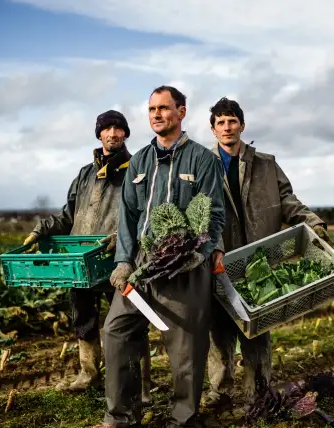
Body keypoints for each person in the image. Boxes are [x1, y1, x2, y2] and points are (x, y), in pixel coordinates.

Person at [93, 86, 225, 428]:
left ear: (181, 112)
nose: (156, 114)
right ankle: (121, 416)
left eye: (164, 108)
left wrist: (198, 252)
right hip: (142, 267)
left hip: (185, 266)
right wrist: (124, 261)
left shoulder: (202, 159)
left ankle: (183, 418)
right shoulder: (138, 161)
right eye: (152, 108)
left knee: (185, 349)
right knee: (116, 332)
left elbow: (214, 214)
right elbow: (128, 217)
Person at [205, 97, 332, 410]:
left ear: (242, 125)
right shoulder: (203, 165)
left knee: (257, 330)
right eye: (220, 122)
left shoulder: (265, 163)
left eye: (232, 121)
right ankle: (220, 392)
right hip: (219, 259)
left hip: (258, 260)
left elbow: (288, 200)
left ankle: (257, 392)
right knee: (219, 330)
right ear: (213, 129)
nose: (227, 127)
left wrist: (313, 223)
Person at [23, 110, 152, 400]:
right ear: (99, 134)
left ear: (126, 134)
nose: (113, 133)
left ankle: (141, 384)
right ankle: (89, 374)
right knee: (84, 318)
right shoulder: (85, 173)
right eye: (107, 128)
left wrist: (121, 239)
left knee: (129, 321)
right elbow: (68, 214)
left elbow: (144, 214)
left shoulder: (137, 171)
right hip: (81, 261)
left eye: (119, 128)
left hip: (118, 258)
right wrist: (42, 228)